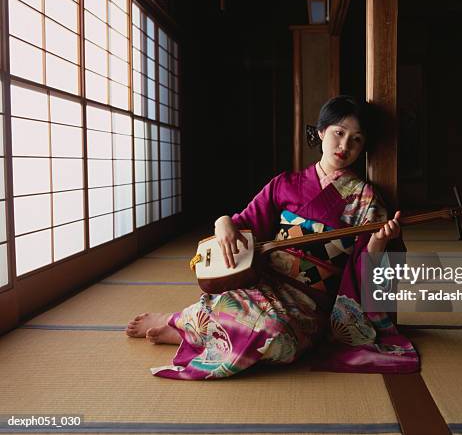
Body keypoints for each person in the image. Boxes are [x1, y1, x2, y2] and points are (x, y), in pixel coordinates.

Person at [126, 95, 420, 380]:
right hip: (265, 282)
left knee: (276, 336)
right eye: (338, 133)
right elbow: (244, 223)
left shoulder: (366, 198)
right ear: (320, 132)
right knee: (230, 305)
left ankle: (188, 329)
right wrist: (223, 222)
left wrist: (379, 242)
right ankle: (178, 322)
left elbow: (367, 265)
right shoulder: (285, 184)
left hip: (311, 302)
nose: (345, 145)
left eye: (356, 139)